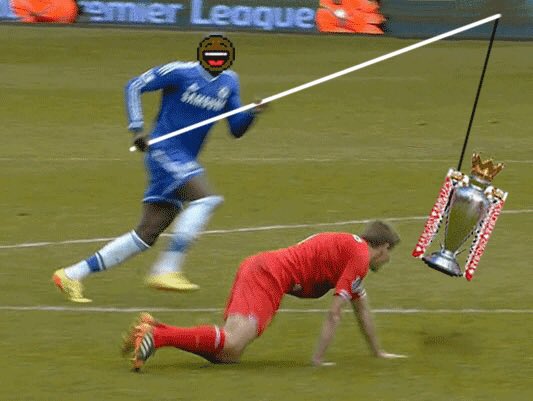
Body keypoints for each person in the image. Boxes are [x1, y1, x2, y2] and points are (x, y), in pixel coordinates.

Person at [53, 35, 265, 303]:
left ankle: (71, 274)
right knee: (206, 199)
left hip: (184, 158)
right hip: (164, 150)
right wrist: (137, 129)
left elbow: (236, 129)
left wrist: (252, 113)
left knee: (146, 234)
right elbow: (134, 85)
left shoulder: (230, 82)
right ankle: (167, 269)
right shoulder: (180, 72)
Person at [121, 221, 406, 371]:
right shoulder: (358, 257)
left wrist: (377, 352)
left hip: (263, 270)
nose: (388, 260)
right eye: (389, 254)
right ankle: (157, 337)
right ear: (382, 247)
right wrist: (318, 360)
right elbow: (335, 313)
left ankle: (156, 329)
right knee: (232, 343)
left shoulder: (351, 253)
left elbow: (362, 309)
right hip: (267, 275)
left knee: (228, 356)